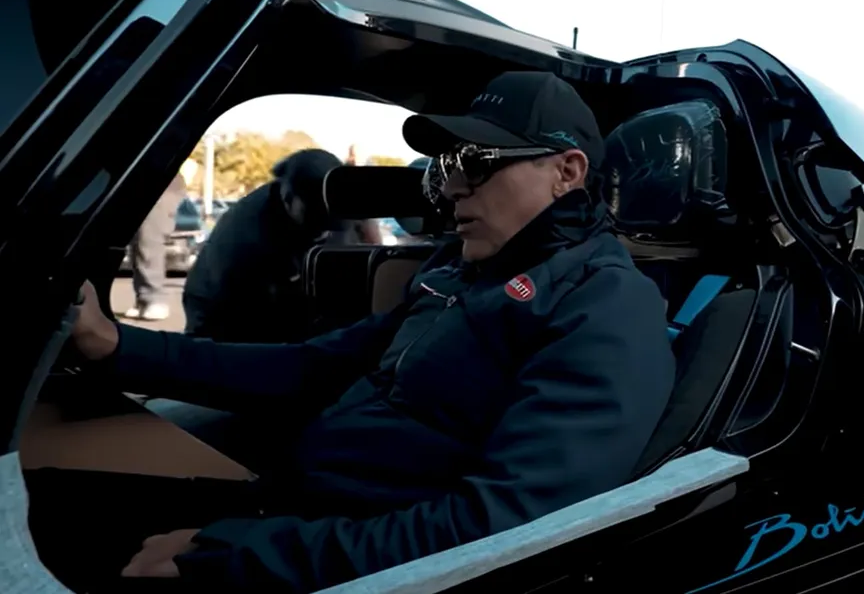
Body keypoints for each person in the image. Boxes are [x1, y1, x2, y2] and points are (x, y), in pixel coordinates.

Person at [54, 71, 675, 593]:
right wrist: (115, 345)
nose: (450, 186)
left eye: (476, 163)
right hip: (293, 513)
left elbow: (501, 529)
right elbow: (311, 368)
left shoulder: (604, 306)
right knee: (57, 503)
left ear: (567, 171)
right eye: (447, 163)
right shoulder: (459, 272)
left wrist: (235, 557)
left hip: (347, 560)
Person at [182, 148, 360, 344]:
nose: (323, 232)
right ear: (288, 198)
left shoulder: (333, 202)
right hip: (222, 310)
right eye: (317, 222)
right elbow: (261, 320)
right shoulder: (246, 238)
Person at [124, 174, 187, 321]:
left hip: (157, 181)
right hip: (136, 181)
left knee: (148, 236)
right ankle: (143, 299)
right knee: (137, 242)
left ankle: (154, 299)